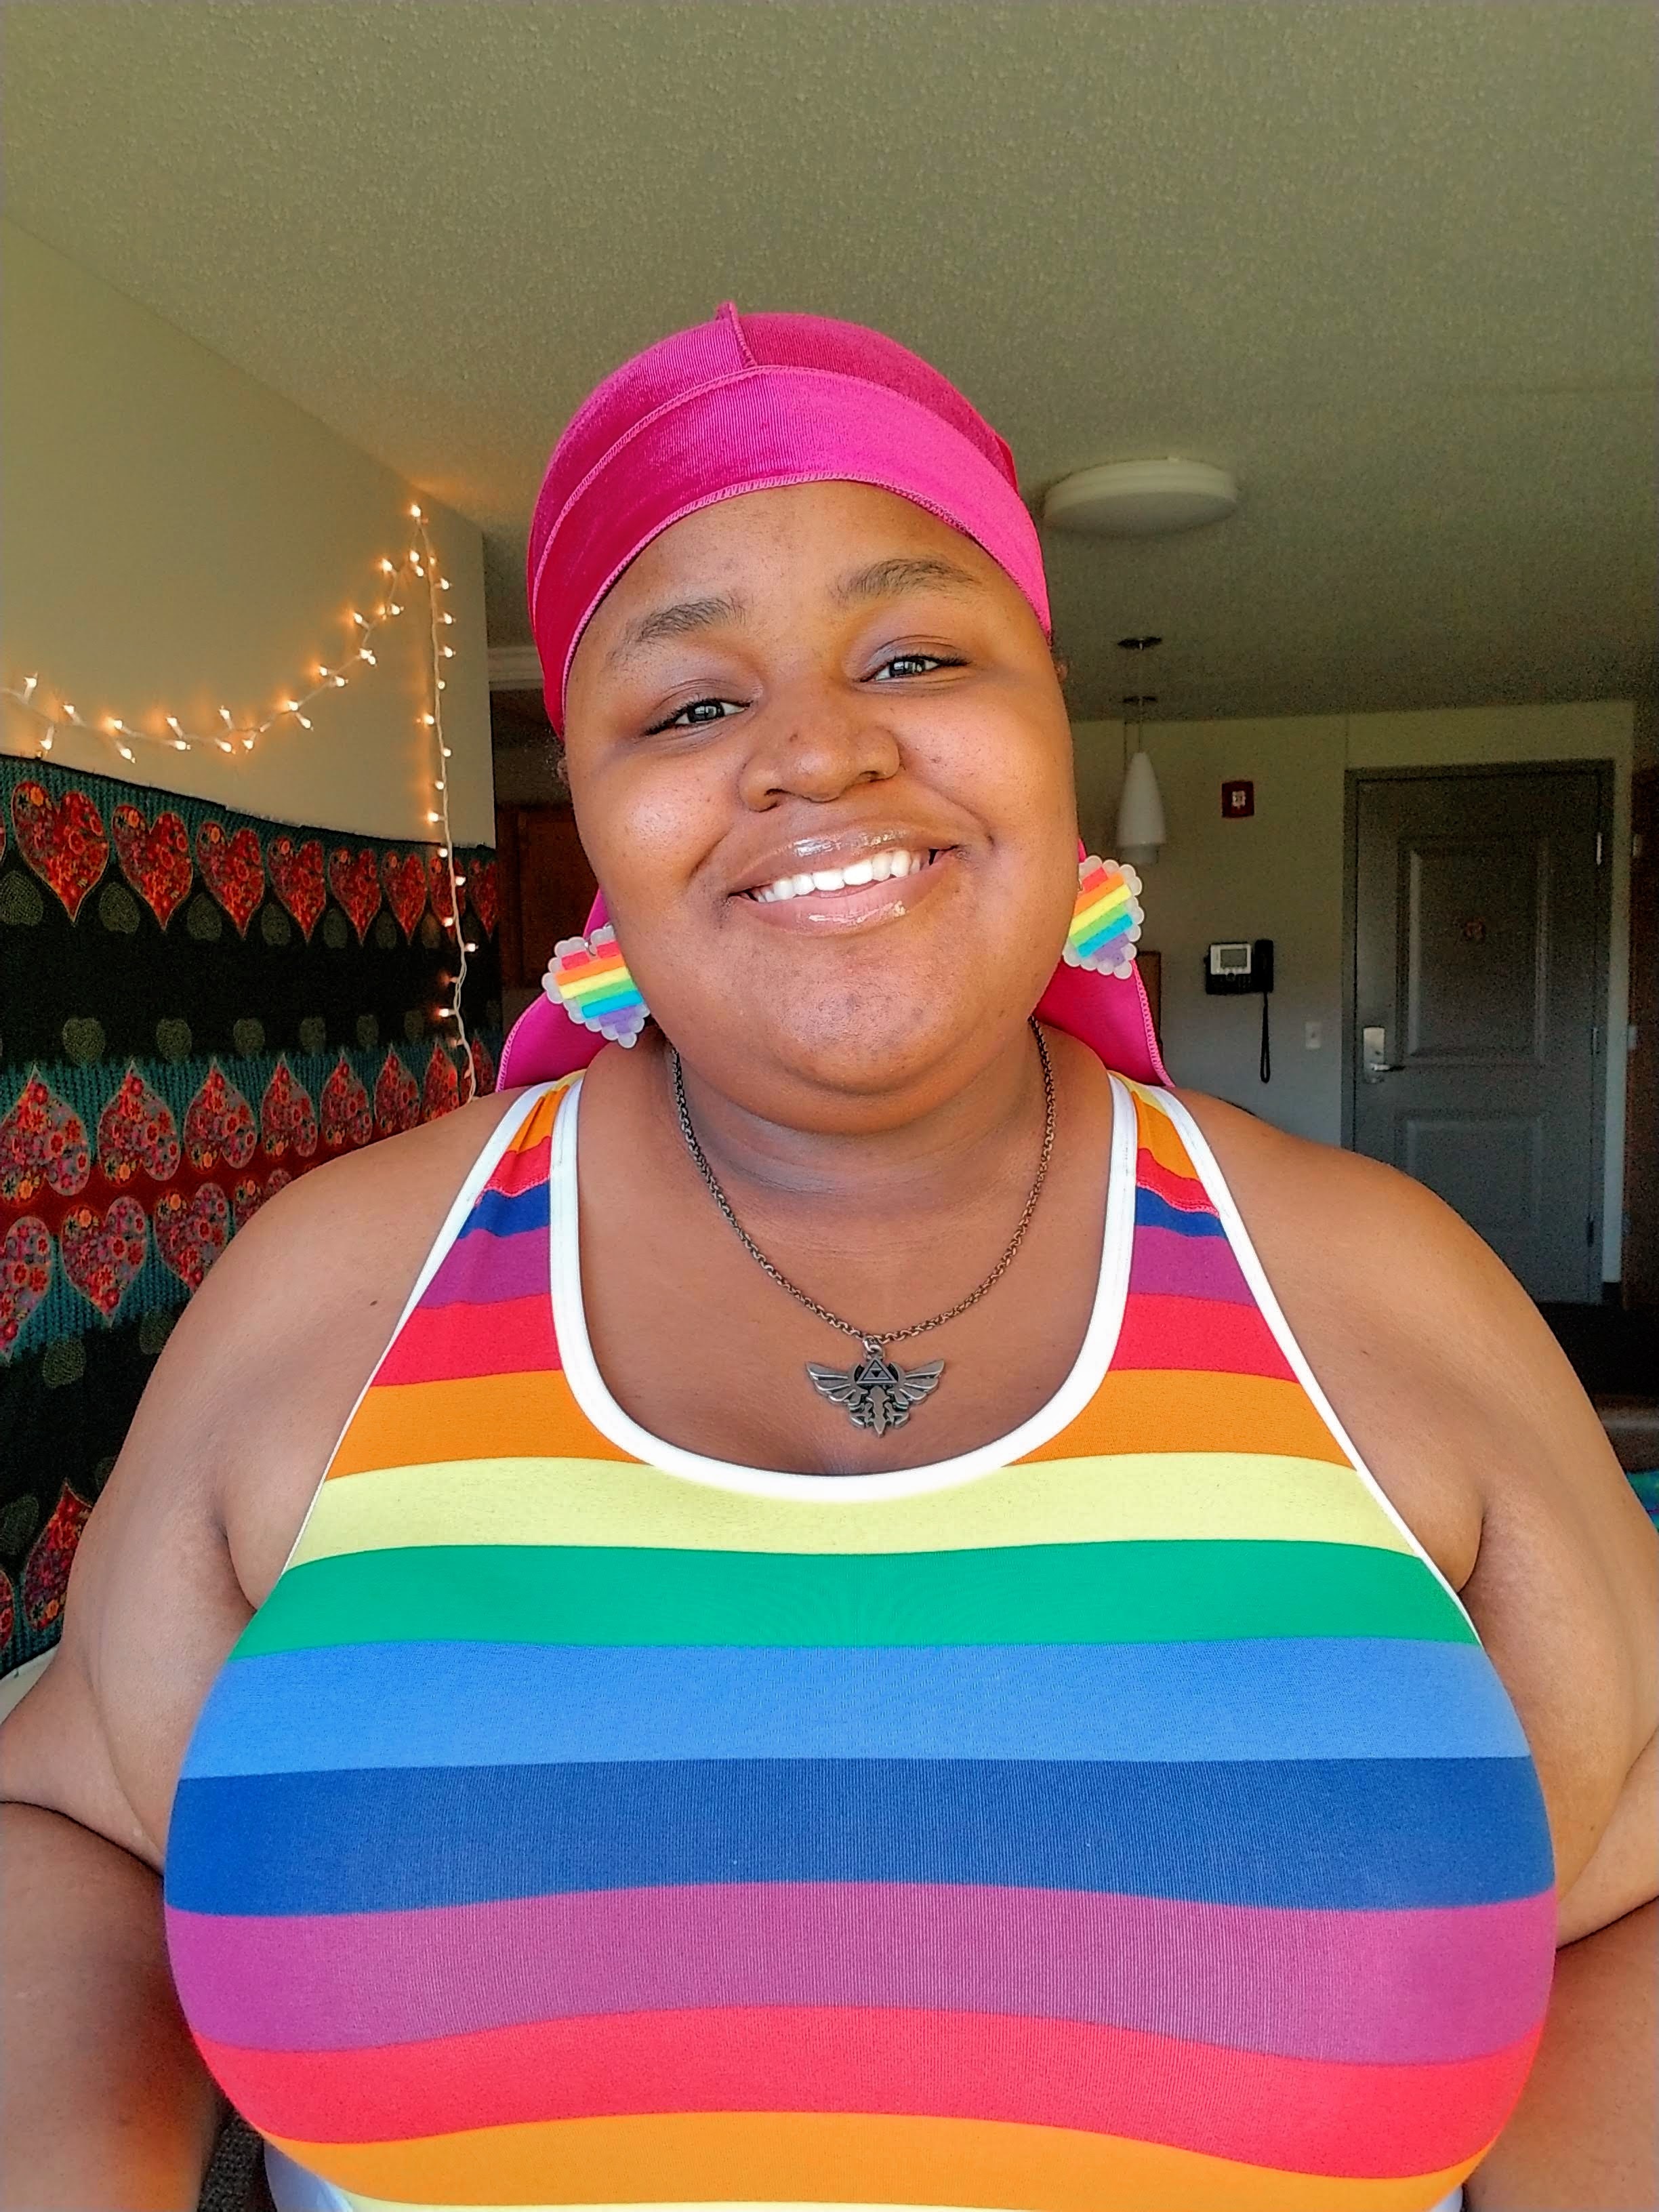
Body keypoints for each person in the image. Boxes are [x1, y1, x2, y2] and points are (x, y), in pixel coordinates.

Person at [1, 306, 1653, 2212]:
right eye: (691, 703)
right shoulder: (337, 1288)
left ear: (1053, 718)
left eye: (919, 652)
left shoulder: (1378, 1287)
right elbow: (73, 1818)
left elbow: (1633, 1893)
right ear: (597, 820)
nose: (818, 751)